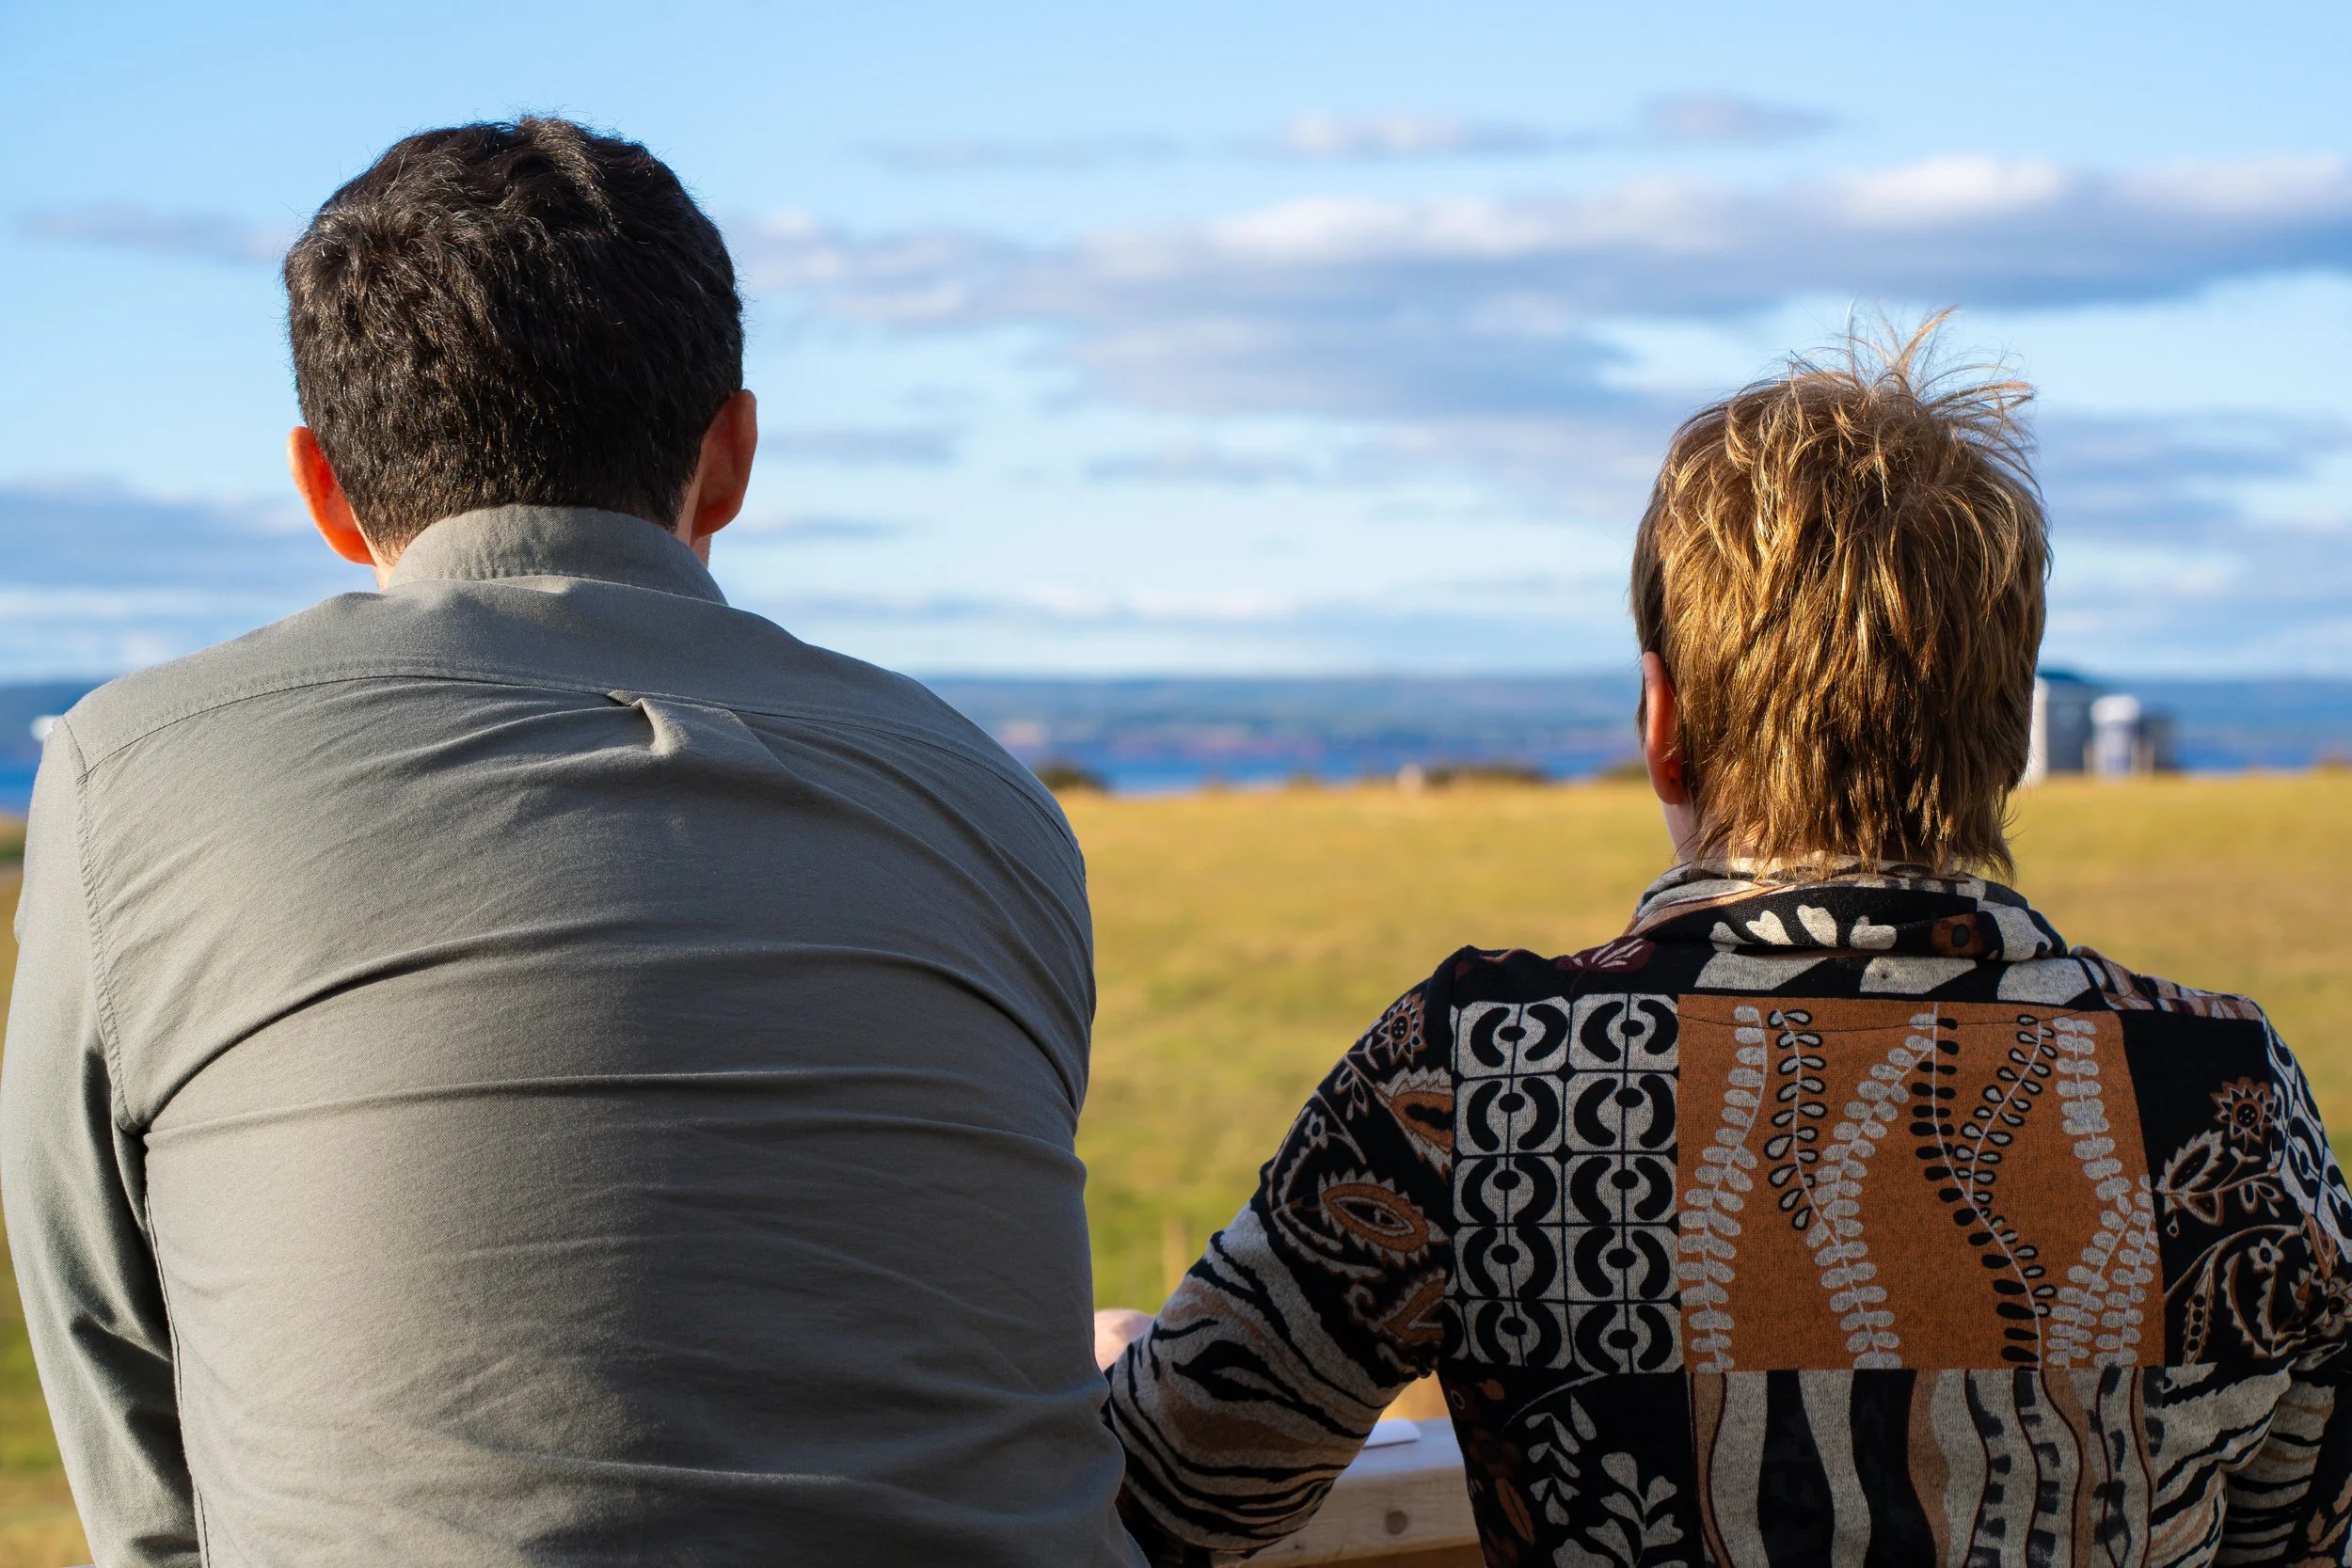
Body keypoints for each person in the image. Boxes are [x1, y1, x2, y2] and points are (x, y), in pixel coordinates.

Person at [2, 118, 1138, 1567]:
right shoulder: (990, 796)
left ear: (324, 490)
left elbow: (123, 1388)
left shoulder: (131, 769)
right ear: (730, 457)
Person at [1100, 326, 2352, 1567]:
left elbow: (1166, 1493)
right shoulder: (2225, 1092)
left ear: (1663, 722)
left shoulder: (1481, 1073)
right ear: (2010, 735)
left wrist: (1122, 1358)